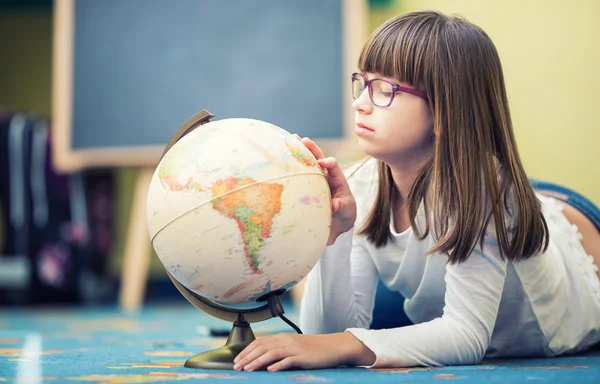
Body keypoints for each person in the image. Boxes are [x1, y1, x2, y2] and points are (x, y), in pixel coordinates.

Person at [233, 10, 600, 371]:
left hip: (574, 239)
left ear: (444, 111)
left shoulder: (483, 193)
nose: (359, 103)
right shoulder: (363, 184)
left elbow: (465, 334)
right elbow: (323, 336)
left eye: (384, 90)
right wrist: (333, 233)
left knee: (388, 325)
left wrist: (345, 343)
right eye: (363, 83)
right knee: (386, 323)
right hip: (443, 258)